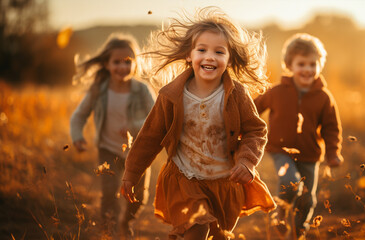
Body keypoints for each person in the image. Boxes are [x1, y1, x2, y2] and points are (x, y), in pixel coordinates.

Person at [121, 7, 276, 240]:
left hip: (224, 182)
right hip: (184, 179)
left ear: (229, 58)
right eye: (201, 49)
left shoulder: (237, 94)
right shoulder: (171, 96)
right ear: (189, 55)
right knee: (197, 229)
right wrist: (131, 173)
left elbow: (256, 130)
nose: (210, 56)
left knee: (219, 235)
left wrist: (247, 162)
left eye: (219, 51)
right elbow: (150, 137)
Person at [254, 33, 344, 239]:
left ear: (319, 65)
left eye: (312, 64)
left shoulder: (324, 97)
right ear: (290, 65)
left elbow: (331, 128)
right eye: (301, 63)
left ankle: (296, 233)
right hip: (280, 150)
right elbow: (253, 109)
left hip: (310, 155)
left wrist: (333, 153)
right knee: (290, 180)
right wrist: (240, 131)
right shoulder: (276, 92)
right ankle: (281, 212)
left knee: (307, 199)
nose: (307, 69)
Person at [70, 33, 155, 238]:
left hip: (138, 152)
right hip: (107, 150)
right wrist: (77, 136)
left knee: (139, 197)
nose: (122, 67)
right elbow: (79, 116)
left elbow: (156, 120)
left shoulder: (142, 90)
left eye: (128, 62)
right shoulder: (99, 89)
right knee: (109, 193)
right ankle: (108, 229)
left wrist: (133, 126)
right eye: (116, 62)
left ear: (135, 64)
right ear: (106, 64)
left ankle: (126, 221)